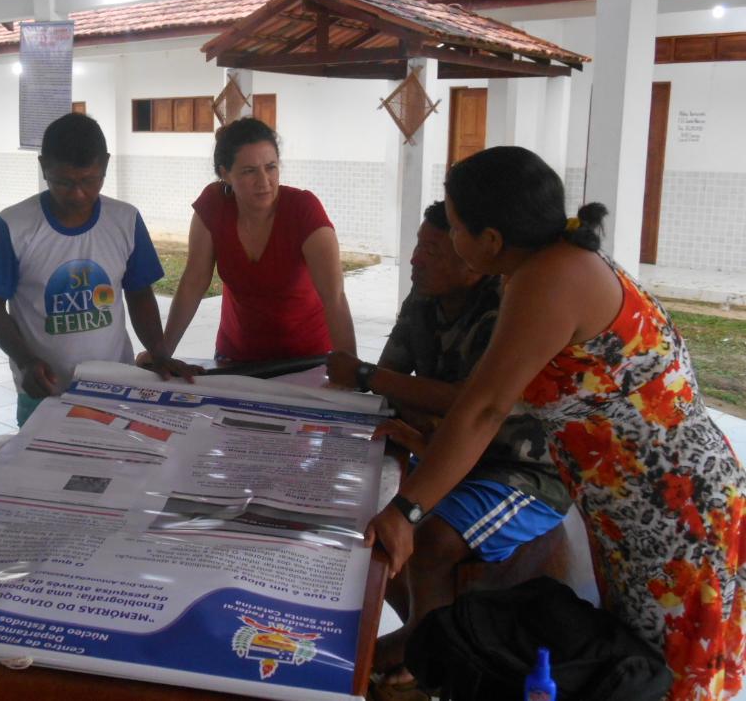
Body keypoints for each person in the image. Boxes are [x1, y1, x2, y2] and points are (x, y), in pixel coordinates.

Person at [364, 146, 746, 700]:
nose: (444, 237)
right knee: (633, 663)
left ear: (490, 241)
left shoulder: (550, 278)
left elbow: (484, 406)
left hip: (673, 507)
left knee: (657, 676)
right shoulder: (548, 265)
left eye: (452, 225)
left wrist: (406, 508)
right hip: (635, 503)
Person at [327, 201, 570, 691]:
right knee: (363, 506)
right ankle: (424, 628)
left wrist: (378, 380)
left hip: (519, 472)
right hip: (447, 450)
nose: (416, 260)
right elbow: (388, 380)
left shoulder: (502, 311)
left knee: (429, 539)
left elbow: (469, 402)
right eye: (418, 245)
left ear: (473, 261)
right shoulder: (421, 298)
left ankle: (428, 654)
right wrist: (398, 395)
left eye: (434, 250)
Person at [0, 111, 193, 427]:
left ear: (105, 164)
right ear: (43, 167)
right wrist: (25, 361)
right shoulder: (13, 226)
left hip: (116, 387)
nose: (77, 194)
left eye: (89, 180)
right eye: (63, 182)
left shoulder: (125, 220)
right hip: (44, 391)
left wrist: (159, 352)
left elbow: (139, 293)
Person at [160, 117, 356, 363]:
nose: (264, 182)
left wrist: (351, 371)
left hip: (308, 358)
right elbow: (193, 283)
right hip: (235, 358)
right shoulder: (214, 204)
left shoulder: (304, 210)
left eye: (271, 167)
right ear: (225, 174)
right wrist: (162, 353)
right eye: (249, 171)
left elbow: (334, 297)